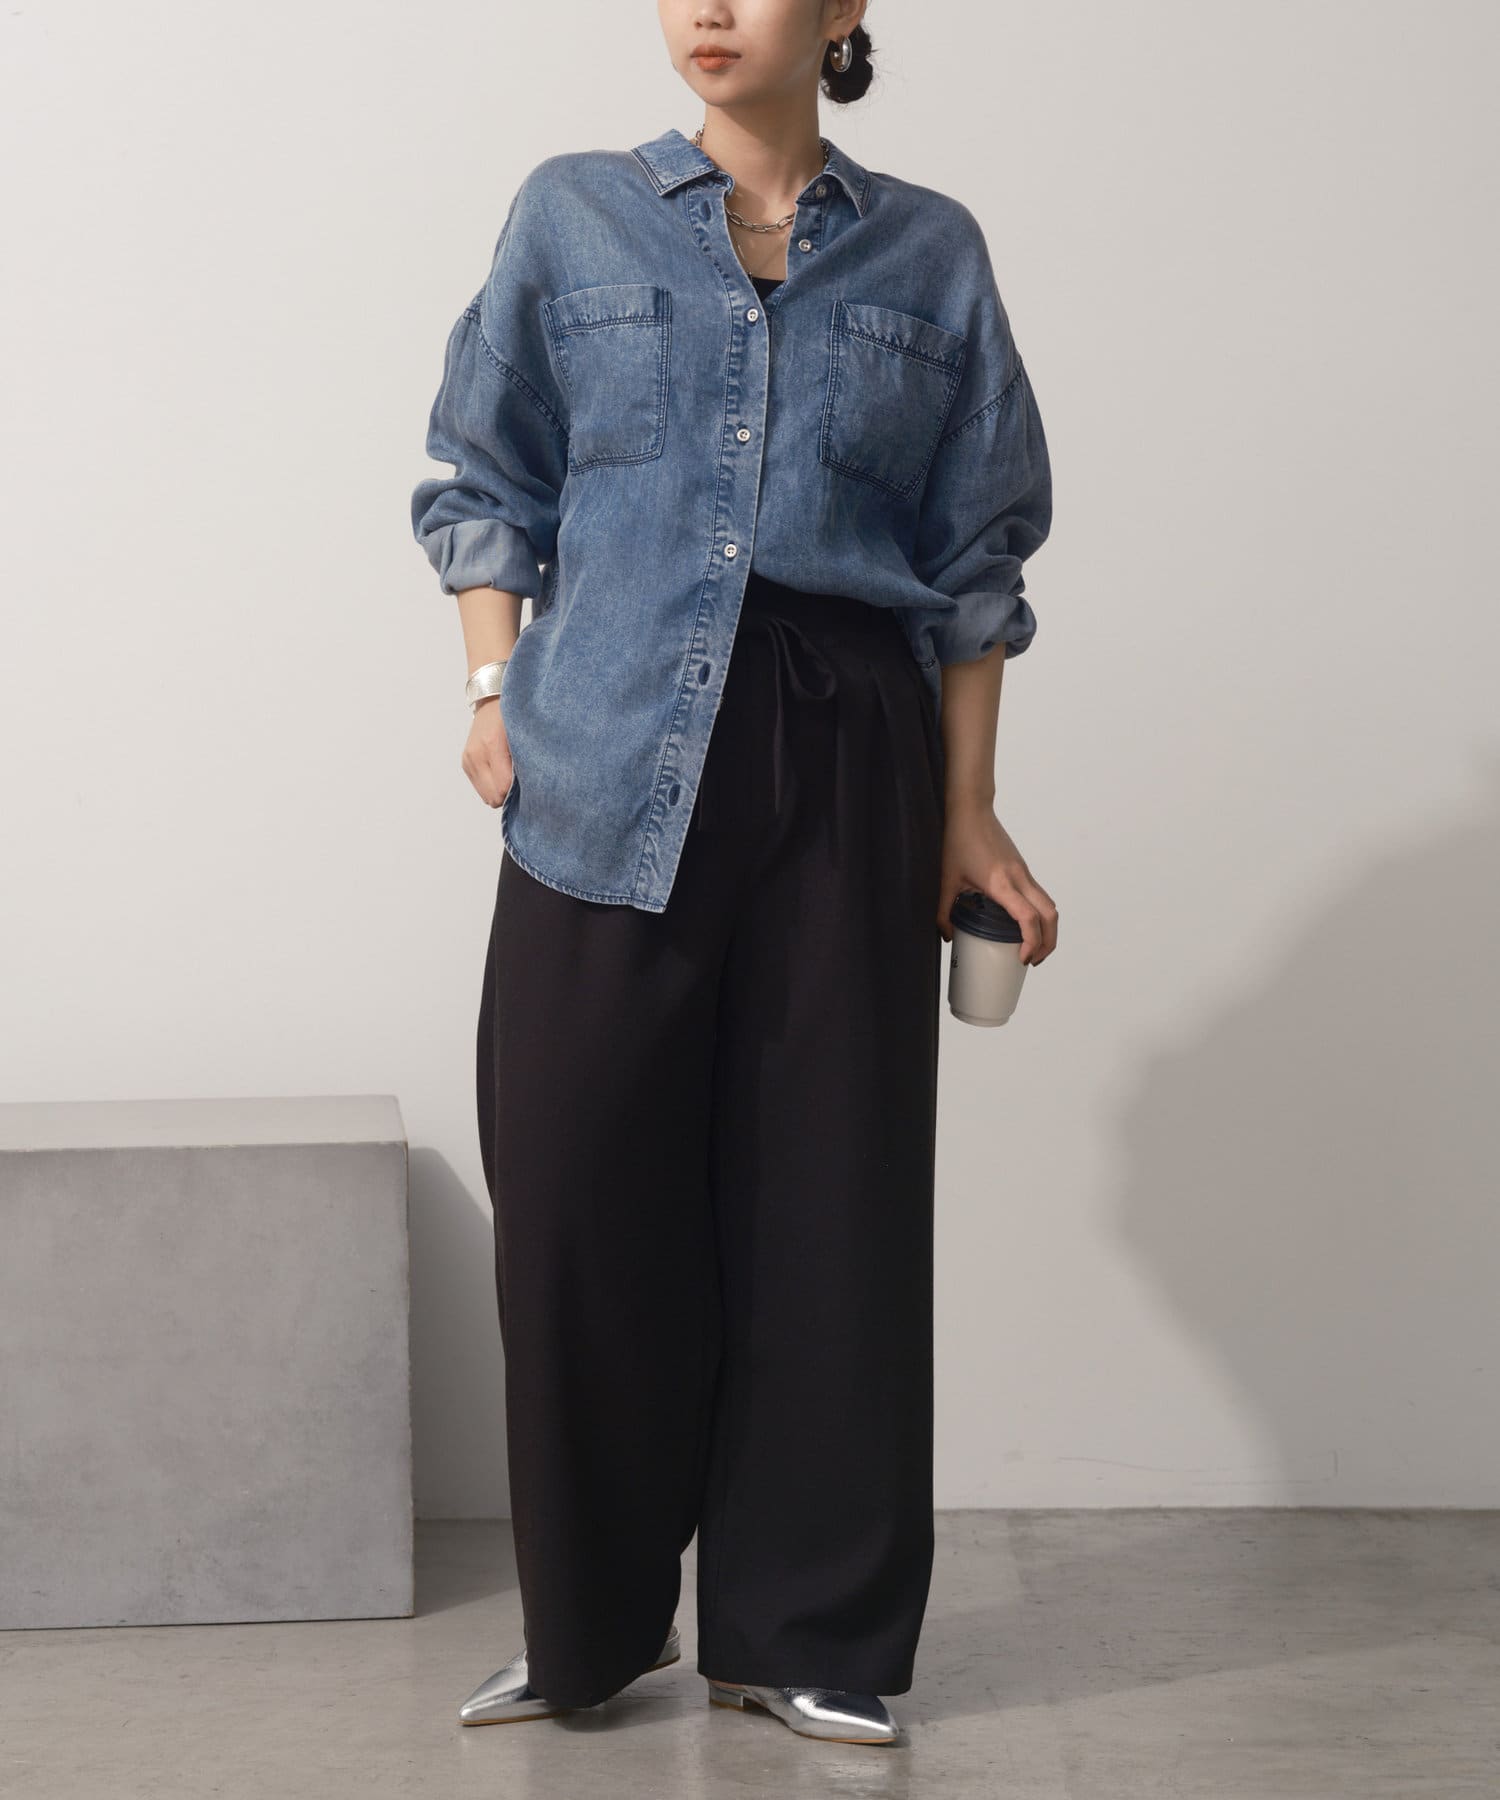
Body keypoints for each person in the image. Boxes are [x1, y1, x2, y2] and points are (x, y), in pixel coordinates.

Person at [409, 0, 1059, 1749]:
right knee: (576, 1194)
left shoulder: (930, 253)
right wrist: (490, 691)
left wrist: (969, 815)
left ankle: (805, 1628)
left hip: (847, 748)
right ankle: (587, 1630)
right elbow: (483, 470)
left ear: (843, 11)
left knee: (830, 1197)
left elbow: (976, 563)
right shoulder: (574, 212)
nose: (709, 6)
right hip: (606, 739)